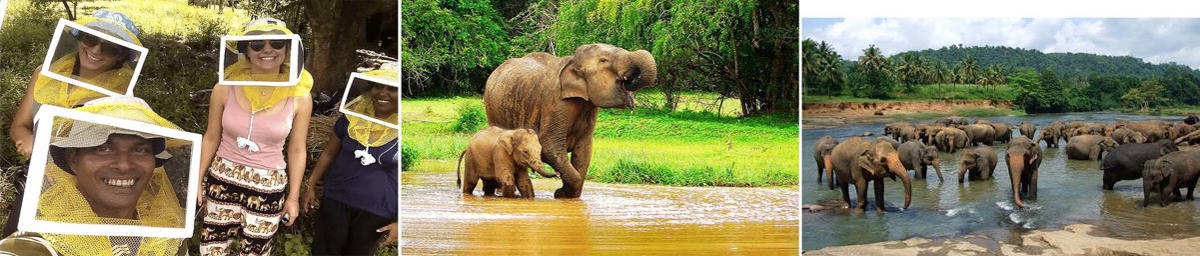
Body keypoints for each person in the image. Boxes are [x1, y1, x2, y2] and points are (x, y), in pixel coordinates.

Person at [5, 9, 143, 238]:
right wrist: (28, 141)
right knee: (20, 243)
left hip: (85, 192)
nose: (96, 50)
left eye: (109, 47)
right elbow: (19, 126)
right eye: (90, 39)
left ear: (121, 56)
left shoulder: (122, 97)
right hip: (36, 184)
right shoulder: (44, 75)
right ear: (79, 37)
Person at [0, 96, 187, 256]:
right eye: (103, 148)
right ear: (73, 159)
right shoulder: (34, 245)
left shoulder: (167, 238)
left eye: (140, 149)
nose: (124, 165)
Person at [197, 18, 313, 256]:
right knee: (213, 248)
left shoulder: (300, 96)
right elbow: (211, 137)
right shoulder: (225, 87)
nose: (267, 49)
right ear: (246, 50)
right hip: (222, 178)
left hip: (268, 185)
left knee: (256, 252)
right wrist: (197, 180)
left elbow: (297, 149)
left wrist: (293, 197)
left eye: (277, 43)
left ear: (287, 48)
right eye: (257, 44)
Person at [303, 69, 398, 255]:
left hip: (377, 212)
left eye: (392, 89)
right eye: (378, 86)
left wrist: (400, 222)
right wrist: (310, 185)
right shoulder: (350, 119)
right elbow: (329, 153)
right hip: (336, 199)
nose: (383, 93)